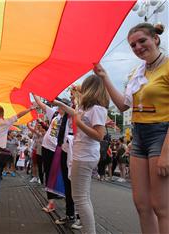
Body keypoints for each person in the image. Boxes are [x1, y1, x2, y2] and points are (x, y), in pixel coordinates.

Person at [94, 23, 169, 233]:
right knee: (142, 205)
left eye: (142, 41)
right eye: (133, 45)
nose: (137, 47)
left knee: (161, 207)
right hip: (139, 135)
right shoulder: (138, 73)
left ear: (155, 39)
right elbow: (122, 105)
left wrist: (166, 152)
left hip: (162, 134)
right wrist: (104, 76)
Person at [52, 74, 109, 234]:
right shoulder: (89, 107)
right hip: (82, 154)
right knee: (83, 197)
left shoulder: (97, 109)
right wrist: (59, 102)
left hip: (84, 156)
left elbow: (99, 135)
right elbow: (75, 112)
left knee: (81, 198)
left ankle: (89, 231)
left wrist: (79, 124)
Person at [33, 94, 65, 213]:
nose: (58, 107)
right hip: (46, 148)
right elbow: (41, 104)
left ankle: (63, 197)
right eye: (58, 105)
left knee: (58, 175)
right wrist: (33, 92)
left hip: (57, 150)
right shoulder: (55, 114)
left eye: (61, 105)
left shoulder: (68, 118)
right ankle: (51, 202)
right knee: (48, 173)